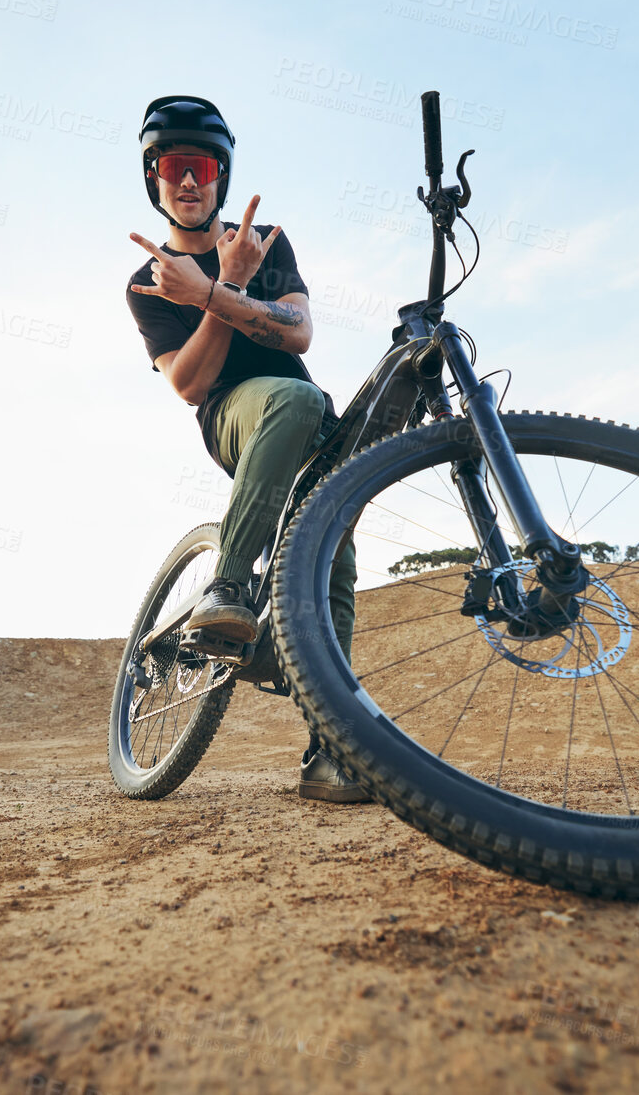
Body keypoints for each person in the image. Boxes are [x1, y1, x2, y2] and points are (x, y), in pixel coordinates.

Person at [125, 95, 367, 804]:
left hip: (305, 419)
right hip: (238, 416)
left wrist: (229, 280)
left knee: (335, 567)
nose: (189, 181)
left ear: (221, 175)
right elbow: (189, 383)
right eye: (174, 167)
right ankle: (229, 585)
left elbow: (296, 334)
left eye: (202, 166)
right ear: (155, 178)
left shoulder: (264, 245)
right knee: (292, 398)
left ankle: (330, 749)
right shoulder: (149, 283)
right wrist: (217, 290)